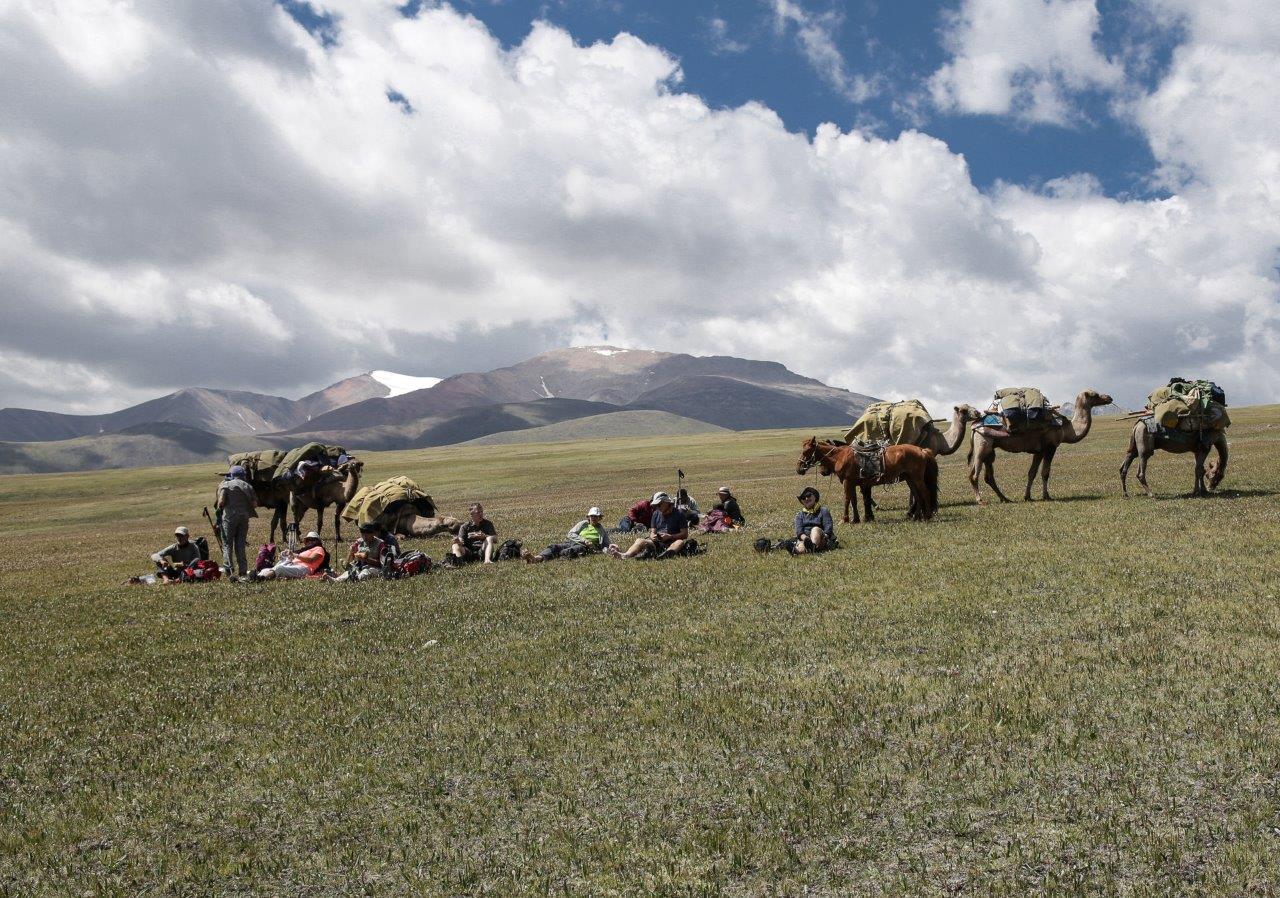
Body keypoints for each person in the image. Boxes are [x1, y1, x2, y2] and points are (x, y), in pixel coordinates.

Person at [609, 492, 691, 559]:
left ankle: (666, 555)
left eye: (659, 505)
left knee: (679, 542)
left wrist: (670, 536)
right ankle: (626, 555)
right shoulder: (655, 514)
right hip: (657, 542)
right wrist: (653, 536)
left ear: (666, 502)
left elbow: (685, 534)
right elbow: (653, 531)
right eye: (655, 506)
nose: (657, 508)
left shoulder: (679, 514)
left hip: (673, 541)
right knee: (639, 540)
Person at [523, 506, 610, 563]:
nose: (594, 518)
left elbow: (606, 544)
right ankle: (537, 557)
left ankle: (550, 558)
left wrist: (599, 548)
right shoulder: (583, 524)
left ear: (600, 518)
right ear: (588, 517)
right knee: (554, 547)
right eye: (592, 516)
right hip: (573, 542)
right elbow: (570, 534)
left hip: (585, 548)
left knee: (569, 551)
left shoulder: (601, 530)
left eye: (596, 516)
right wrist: (584, 540)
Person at [216, 464, 258, 580]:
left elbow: (221, 503)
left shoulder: (226, 485)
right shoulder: (248, 486)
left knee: (227, 544)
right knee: (240, 544)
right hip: (244, 518)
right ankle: (243, 571)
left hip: (229, 518)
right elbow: (254, 504)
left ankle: (229, 571)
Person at [255, 531, 330, 580]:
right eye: (308, 540)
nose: (310, 542)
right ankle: (255, 576)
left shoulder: (319, 549)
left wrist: (295, 555)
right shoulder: (304, 550)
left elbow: (311, 559)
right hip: (293, 564)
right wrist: (286, 555)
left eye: (313, 540)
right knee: (266, 569)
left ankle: (261, 579)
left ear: (317, 541)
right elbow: (294, 557)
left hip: (305, 568)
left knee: (280, 568)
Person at [791, 486, 836, 554]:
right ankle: (797, 551)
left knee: (815, 529)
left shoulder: (823, 511)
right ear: (801, 501)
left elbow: (828, 528)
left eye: (808, 495)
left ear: (815, 496)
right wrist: (806, 539)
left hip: (822, 538)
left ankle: (812, 546)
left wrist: (825, 538)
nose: (806, 498)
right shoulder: (799, 515)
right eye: (803, 497)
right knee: (801, 544)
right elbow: (799, 532)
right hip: (806, 538)